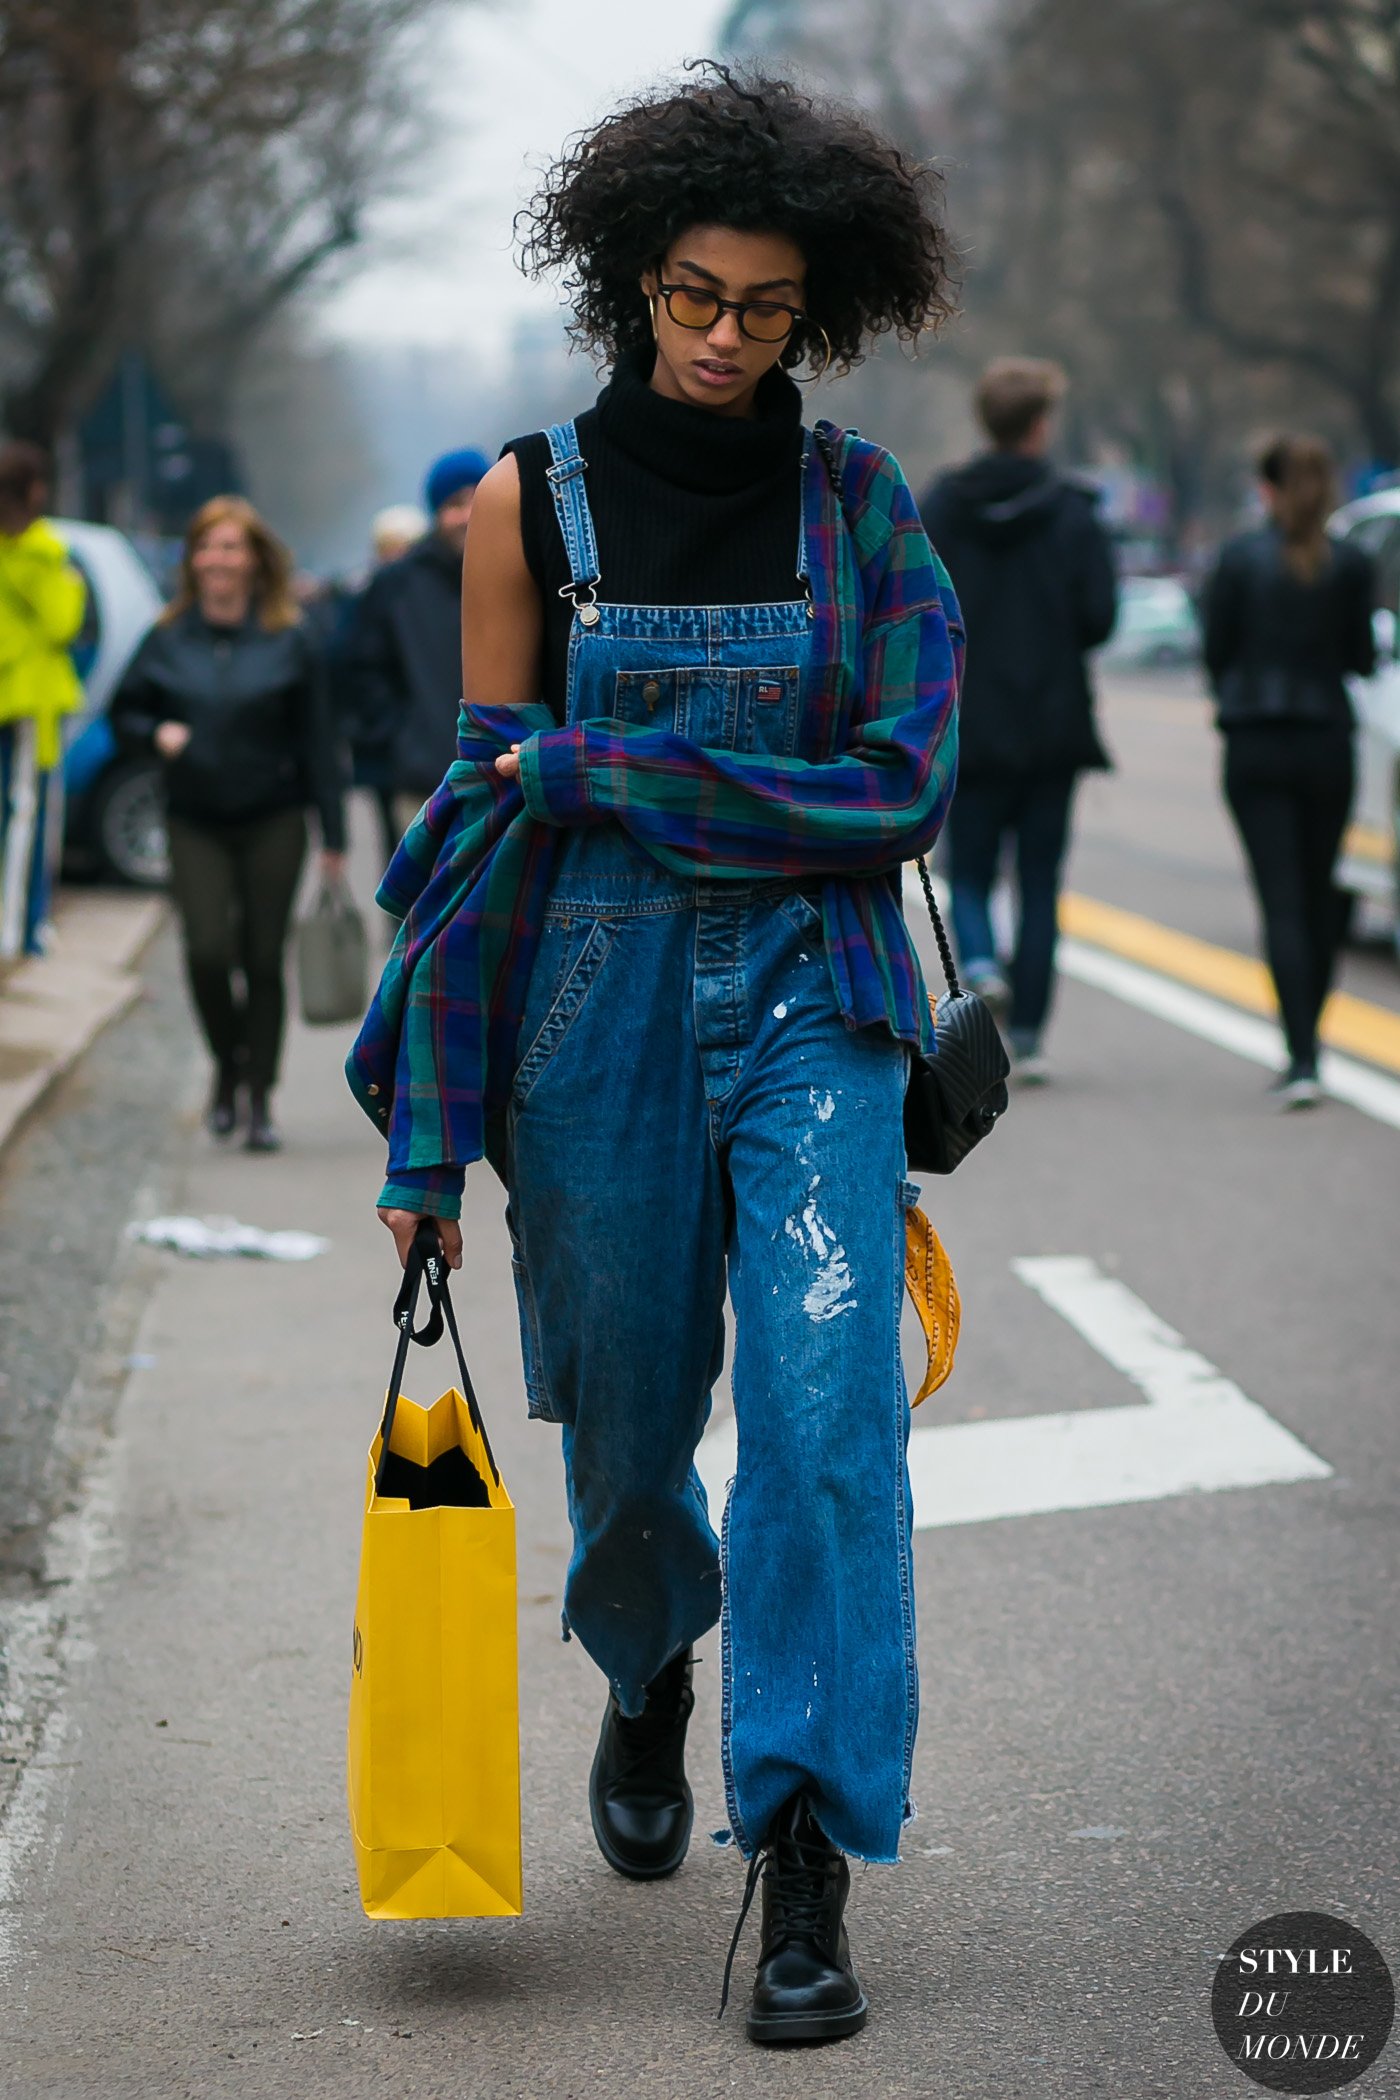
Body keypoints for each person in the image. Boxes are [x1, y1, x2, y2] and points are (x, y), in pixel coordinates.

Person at [350, 64, 962, 2045]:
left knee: (823, 1421)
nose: (720, 337)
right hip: (583, 1018)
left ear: (820, 314)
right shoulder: (519, 505)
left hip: (815, 1005)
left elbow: (900, 789)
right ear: (633, 280)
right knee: (627, 1433)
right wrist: (428, 1151)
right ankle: (648, 1663)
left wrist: (609, 768)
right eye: (691, 295)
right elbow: (468, 842)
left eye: (764, 309)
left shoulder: (862, 512)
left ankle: (799, 1860)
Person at [112, 495, 345, 1150]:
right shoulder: (167, 636)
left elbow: (319, 741)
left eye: (232, 547)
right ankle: (227, 1064)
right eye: (208, 546)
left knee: (262, 959)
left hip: (273, 817)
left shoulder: (290, 638)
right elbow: (123, 716)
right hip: (194, 819)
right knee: (207, 952)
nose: (219, 558)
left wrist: (335, 835)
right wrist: (155, 733)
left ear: (255, 561)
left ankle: (260, 1098)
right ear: (193, 559)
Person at [920, 357, 1117, 1080]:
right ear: (1041, 425)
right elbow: (1099, 618)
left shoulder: (939, 505)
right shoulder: (1073, 509)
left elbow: (914, 604)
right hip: (1053, 723)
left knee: (966, 870)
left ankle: (976, 958)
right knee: (1040, 881)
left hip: (967, 720)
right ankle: (1030, 1035)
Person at [1202, 434, 1375, 1108]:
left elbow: (1217, 649)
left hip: (1255, 743)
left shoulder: (1240, 558)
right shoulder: (1352, 562)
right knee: (1321, 894)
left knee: (1281, 901)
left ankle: (1299, 1056)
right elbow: (1361, 655)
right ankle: (1312, 1045)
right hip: (1327, 740)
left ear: (1267, 488)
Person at [348, 450, 487, 844]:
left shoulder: (523, 572)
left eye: (478, 498)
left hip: (505, 779)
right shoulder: (397, 584)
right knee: (420, 901)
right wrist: (401, 738)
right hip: (422, 782)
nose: (467, 514)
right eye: (455, 504)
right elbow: (363, 668)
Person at [0, 441, 86, 958]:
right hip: (30, 702)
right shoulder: (41, 548)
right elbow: (62, 622)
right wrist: (70, 584)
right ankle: (20, 931)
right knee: (28, 819)